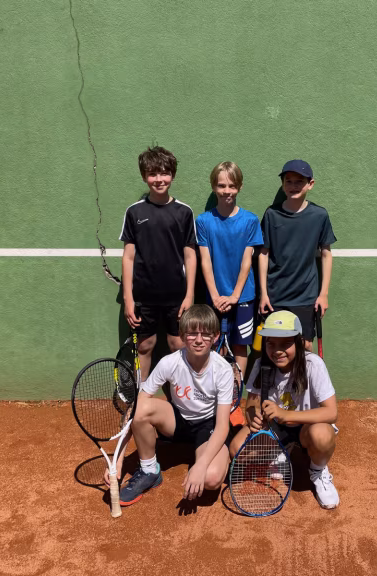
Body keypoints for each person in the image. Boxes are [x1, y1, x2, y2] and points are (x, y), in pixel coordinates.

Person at [111, 305, 235, 506]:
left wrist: (201, 466)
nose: (198, 339)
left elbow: (222, 425)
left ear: (216, 337)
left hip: (208, 426)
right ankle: (150, 471)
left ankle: (219, 458)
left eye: (205, 334)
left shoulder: (222, 370)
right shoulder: (170, 362)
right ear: (182, 335)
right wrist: (119, 459)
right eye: (192, 333)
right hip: (177, 421)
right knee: (140, 407)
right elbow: (136, 409)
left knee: (211, 479)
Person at [229, 310, 340, 509]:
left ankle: (317, 470)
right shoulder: (260, 364)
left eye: (285, 344)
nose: (277, 350)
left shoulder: (313, 364)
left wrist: (286, 414)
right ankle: (279, 453)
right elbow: (252, 404)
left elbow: (331, 412)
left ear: (298, 342)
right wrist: (253, 417)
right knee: (237, 449)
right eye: (271, 343)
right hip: (276, 428)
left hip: (307, 426)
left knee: (322, 435)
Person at [119, 146, 197, 381]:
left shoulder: (184, 212)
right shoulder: (134, 212)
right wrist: (128, 299)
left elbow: (190, 256)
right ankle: (139, 403)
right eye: (153, 174)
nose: (159, 179)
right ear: (144, 176)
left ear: (172, 175)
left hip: (176, 296)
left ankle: (182, 402)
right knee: (144, 347)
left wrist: (189, 295)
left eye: (164, 173)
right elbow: (128, 257)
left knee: (177, 346)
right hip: (144, 297)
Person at [258, 159, 336, 351]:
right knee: (273, 347)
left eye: (299, 181)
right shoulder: (271, 214)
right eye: (289, 181)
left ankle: (301, 382)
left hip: (305, 296)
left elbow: (326, 254)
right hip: (275, 295)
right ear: (283, 184)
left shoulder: (319, 215)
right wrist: (264, 294)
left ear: (310, 184)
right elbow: (263, 254)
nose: (293, 186)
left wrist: (323, 294)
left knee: (304, 345)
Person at [196, 162, 264, 376]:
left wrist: (235, 296)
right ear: (214, 187)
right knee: (217, 347)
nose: (227, 191)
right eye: (222, 185)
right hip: (214, 297)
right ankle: (220, 395)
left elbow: (247, 261)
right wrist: (215, 296)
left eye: (232, 186)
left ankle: (235, 395)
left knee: (239, 347)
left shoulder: (251, 220)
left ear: (240, 187)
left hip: (243, 297)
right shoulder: (203, 221)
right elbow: (205, 261)